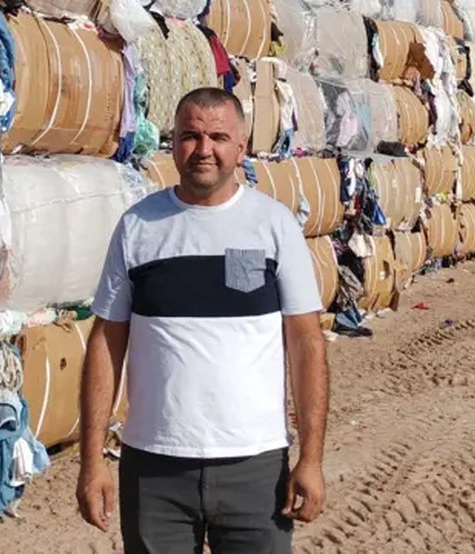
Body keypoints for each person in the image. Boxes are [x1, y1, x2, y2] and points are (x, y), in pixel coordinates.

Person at [74, 87, 330, 553]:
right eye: (191, 136)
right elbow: (106, 343)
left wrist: (311, 458)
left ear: (241, 146)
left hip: (254, 466)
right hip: (155, 468)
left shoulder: (273, 226)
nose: (204, 149)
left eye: (218, 137)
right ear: (173, 143)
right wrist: (92, 461)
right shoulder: (137, 228)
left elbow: (306, 344)